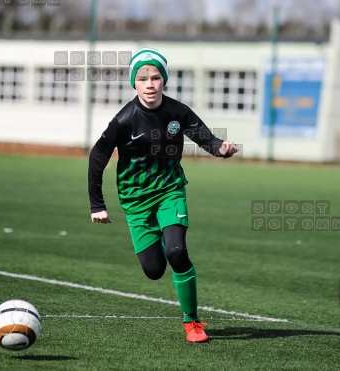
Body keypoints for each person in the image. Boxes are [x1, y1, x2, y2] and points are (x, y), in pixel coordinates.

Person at [88, 48, 239, 342]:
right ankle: (156, 230)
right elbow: (97, 157)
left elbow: (205, 137)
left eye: (156, 77)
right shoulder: (124, 120)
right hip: (136, 200)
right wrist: (97, 204)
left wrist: (221, 148)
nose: (149, 84)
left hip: (170, 190)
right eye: (143, 78)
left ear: (164, 81)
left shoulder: (176, 111)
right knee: (155, 270)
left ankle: (192, 322)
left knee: (177, 252)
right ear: (134, 83)